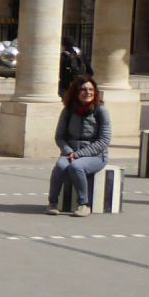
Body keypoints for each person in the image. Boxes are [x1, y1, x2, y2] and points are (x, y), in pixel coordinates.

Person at [46, 76, 111, 217]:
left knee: (77, 167)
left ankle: (83, 204)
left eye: (91, 89)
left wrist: (79, 154)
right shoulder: (68, 110)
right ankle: (52, 203)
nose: (87, 92)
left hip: (96, 155)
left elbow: (104, 140)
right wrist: (69, 151)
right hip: (70, 152)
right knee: (60, 167)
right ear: (76, 92)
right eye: (83, 89)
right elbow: (59, 137)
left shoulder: (101, 111)